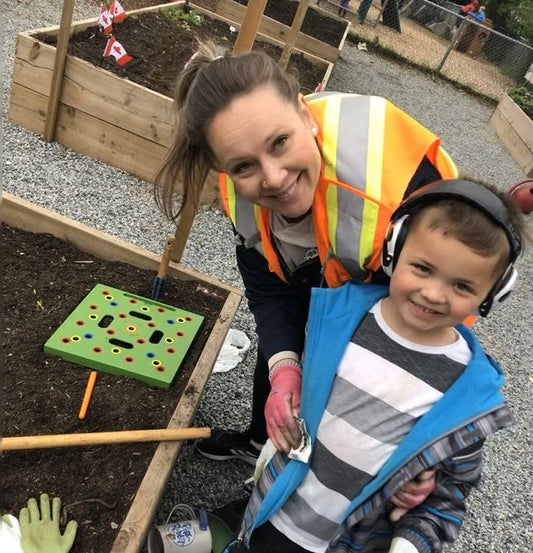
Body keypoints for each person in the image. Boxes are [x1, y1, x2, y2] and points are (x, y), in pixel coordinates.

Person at [154, 40, 459, 511]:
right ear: (224, 168)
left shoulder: (401, 194)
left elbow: (432, 330)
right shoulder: (239, 192)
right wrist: (284, 370)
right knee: (284, 359)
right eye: (244, 166)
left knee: (347, 393)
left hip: (395, 288)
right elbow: (268, 287)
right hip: (316, 271)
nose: (273, 178)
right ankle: (261, 442)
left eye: (280, 142)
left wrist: (421, 452)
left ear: (305, 114)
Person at [220, 178, 527, 553]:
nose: (433, 293)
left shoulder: (468, 394)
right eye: (423, 268)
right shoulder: (340, 317)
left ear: (492, 295)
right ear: (394, 249)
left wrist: (414, 541)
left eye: (462, 287)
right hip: (275, 515)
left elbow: (449, 495)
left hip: (354, 543)